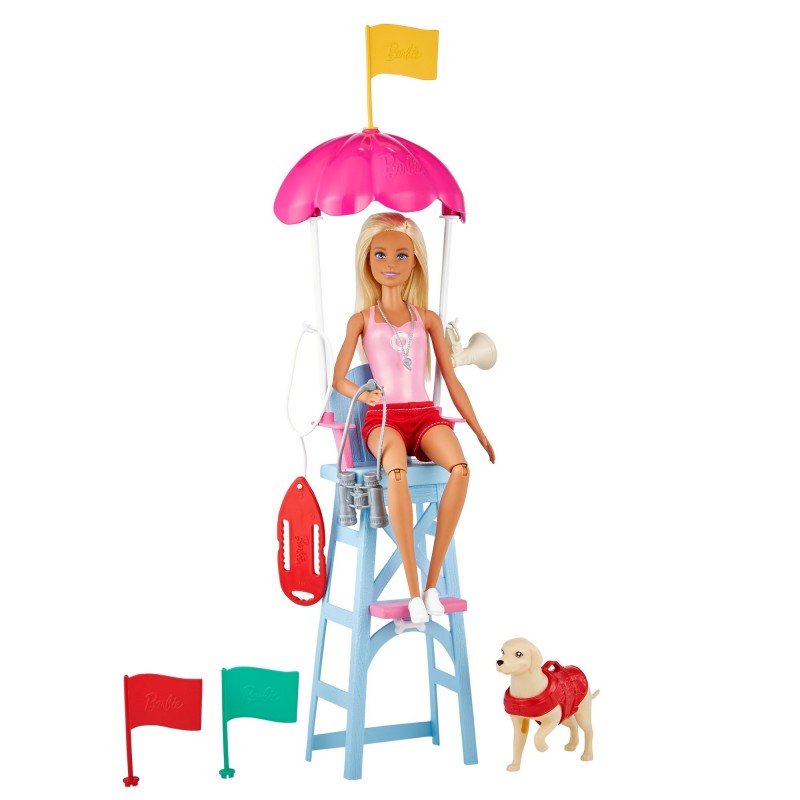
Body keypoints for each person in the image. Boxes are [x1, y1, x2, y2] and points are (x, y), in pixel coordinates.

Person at [332, 211, 495, 624]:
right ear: (367, 259)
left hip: (423, 415)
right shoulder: (361, 320)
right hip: (383, 418)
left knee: (460, 469)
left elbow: (451, 380)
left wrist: (478, 430)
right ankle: (412, 589)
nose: (391, 263)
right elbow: (338, 379)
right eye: (381, 254)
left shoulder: (428, 320)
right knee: (397, 471)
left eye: (402, 255)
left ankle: (432, 584)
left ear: (416, 261)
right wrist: (362, 393)